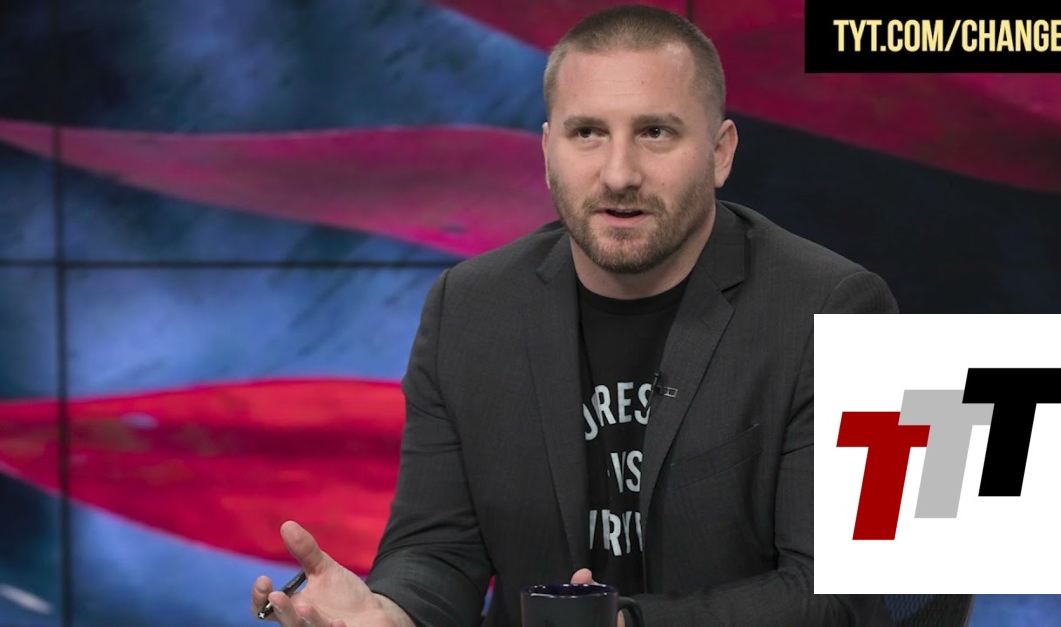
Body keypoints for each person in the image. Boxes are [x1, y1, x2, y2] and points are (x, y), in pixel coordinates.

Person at [250, 5, 898, 626]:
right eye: (587, 133)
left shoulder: (846, 309)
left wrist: (624, 623)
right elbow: (438, 550)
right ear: (547, 150)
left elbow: (854, 596)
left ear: (721, 152)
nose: (618, 174)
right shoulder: (466, 308)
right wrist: (391, 614)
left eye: (655, 132)